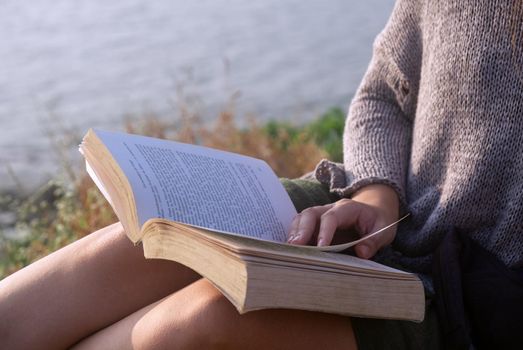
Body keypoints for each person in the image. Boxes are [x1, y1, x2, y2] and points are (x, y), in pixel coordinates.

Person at [2, 0, 523, 348]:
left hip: (480, 295)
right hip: (363, 213)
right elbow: (384, 93)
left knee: (192, 326)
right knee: (117, 257)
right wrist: (375, 191)